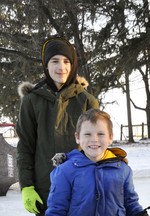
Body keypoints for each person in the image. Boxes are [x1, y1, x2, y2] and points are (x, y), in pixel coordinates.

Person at [16, 37, 99, 215]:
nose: (61, 67)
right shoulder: (31, 101)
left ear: (73, 64)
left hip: (82, 191)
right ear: (46, 65)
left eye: (66, 61)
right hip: (45, 192)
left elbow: (98, 145)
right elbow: (25, 146)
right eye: (54, 61)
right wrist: (27, 186)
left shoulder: (87, 101)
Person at [45, 108, 149, 216]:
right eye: (87, 134)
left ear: (110, 137)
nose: (94, 139)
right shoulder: (65, 171)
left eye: (100, 134)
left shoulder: (122, 170)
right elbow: (56, 209)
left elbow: (131, 203)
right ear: (77, 137)